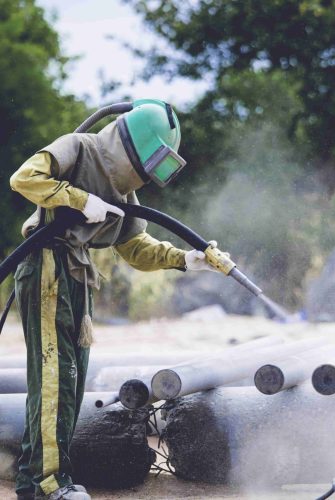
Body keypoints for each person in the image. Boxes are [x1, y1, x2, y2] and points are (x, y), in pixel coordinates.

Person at [9, 99, 221, 500]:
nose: (138, 181)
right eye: (143, 168)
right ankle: (45, 482)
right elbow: (24, 178)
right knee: (55, 379)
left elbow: (135, 247)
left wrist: (185, 260)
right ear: (133, 146)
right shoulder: (79, 147)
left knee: (70, 381)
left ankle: (44, 480)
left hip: (75, 275)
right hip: (46, 267)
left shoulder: (125, 192)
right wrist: (80, 201)